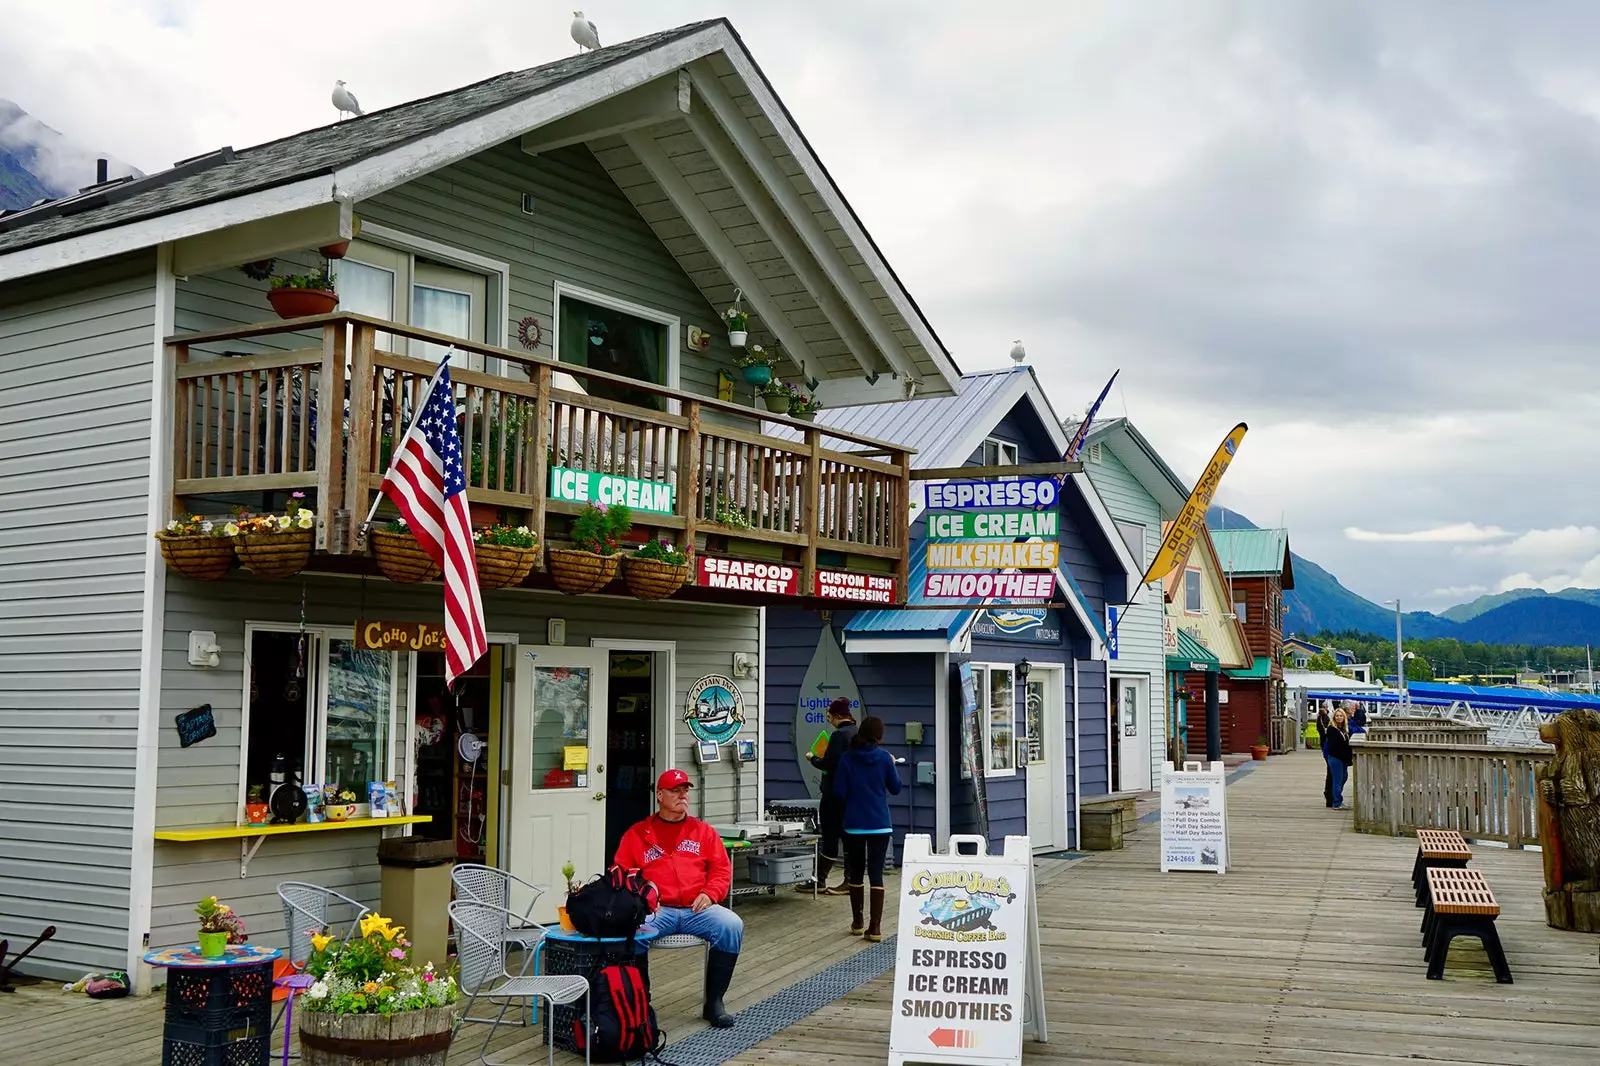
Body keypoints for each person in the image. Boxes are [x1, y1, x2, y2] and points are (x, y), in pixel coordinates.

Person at [613, 768, 743, 1028]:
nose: (682, 795)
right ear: (660, 795)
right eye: (675, 790)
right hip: (658, 911)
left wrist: (710, 893)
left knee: (731, 925)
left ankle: (714, 1002)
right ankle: (642, 1006)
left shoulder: (703, 831)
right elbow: (620, 874)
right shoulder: (637, 834)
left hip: (698, 909)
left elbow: (721, 870)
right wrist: (643, 900)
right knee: (630, 930)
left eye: (685, 790)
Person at [831, 716, 903, 942]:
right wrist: (891, 764)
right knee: (876, 874)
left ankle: (857, 922)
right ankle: (875, 928)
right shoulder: (884, 758)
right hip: (880, 824)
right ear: (879, 735)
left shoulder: (847, 759)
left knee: (855, 872)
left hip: (854, 824)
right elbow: (896, 788)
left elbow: (838, 793)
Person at [803, 697, 857, 894]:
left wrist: (813, 758)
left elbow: (830, 764)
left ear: (836, 716)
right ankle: (850, 881)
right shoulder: (857, 732)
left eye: (829, 716)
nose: (829, 720)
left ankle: (820, 880)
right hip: (852, 794)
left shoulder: (838, 736)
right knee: (850, 837)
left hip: (834, 794)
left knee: (830, 837)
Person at [1325, 708, 1355, 810]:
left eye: (1341, 716)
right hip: (1335, 758)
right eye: (1337, 716)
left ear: (1344, 717)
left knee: (1344, 777)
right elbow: (1333, 747)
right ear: (1334, 717)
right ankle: (1336, 802)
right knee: (1337, 780)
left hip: (1343, 759)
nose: (1339, 717)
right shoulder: (1332, 729)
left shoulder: (1344, 729)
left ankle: (1337, 799)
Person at [1317, 702, 1333, 808]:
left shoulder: (1319, 717)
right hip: (1326, 743)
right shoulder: (1325, 717)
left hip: (1324, 743)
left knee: (1330, 770)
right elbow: (1325, 730)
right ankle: (1329, 796)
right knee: (1330, 771)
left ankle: (1329, 796)